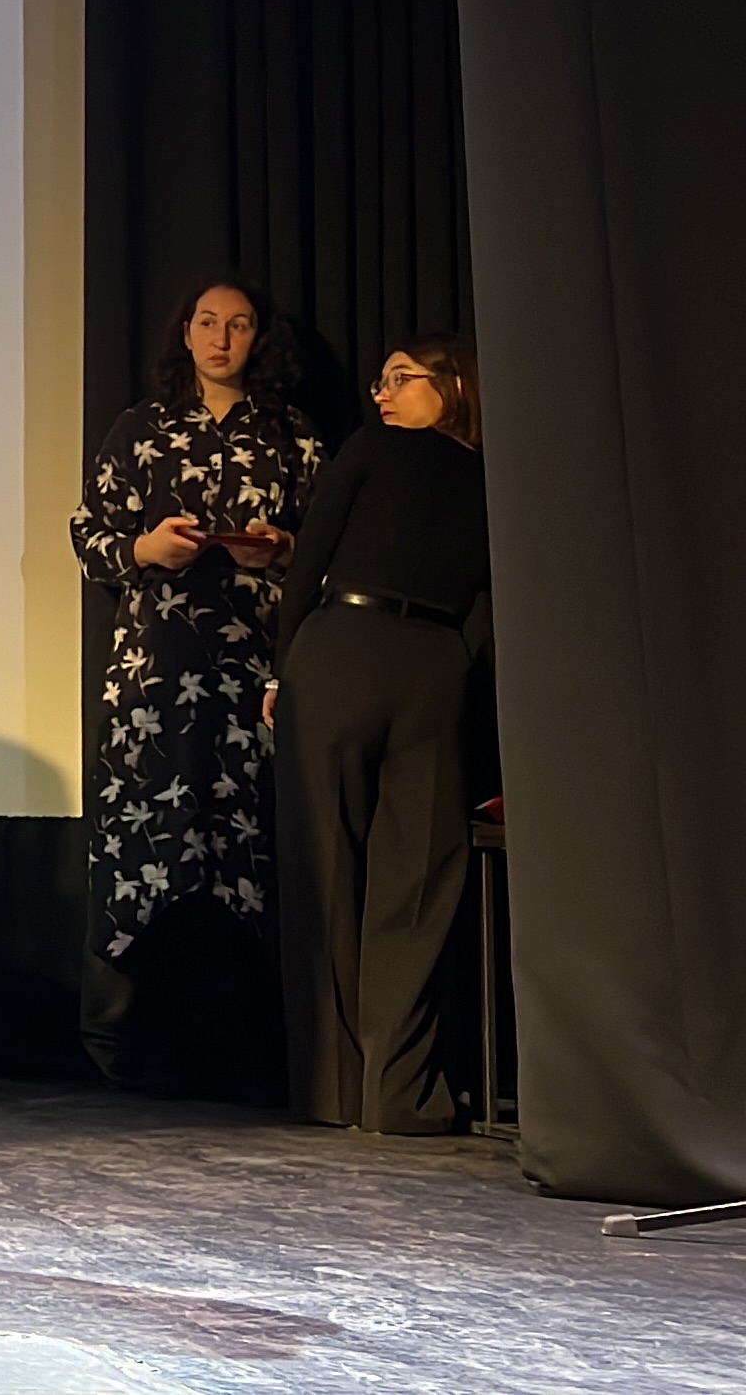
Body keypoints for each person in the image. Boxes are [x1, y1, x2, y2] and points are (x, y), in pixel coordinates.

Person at [66, 277, 324, 1098]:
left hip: (249, 670)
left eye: (238, 325)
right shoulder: (141, 428)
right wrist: (146, 550)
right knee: (143, 845)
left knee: (238, 845)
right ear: (185, 333)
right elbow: (88, 534)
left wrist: (282, 551)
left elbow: (327, 550)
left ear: (258, 339)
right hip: (154, 671)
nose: (220, 338)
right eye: (207, 323)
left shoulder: (290, 435)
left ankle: (236, 1045)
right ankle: (123, 1041)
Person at [268, 337, 490, 1133]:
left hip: (371, 656)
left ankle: (352, 1092)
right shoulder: (472, 472)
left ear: (454, 384)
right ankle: (381, 1094)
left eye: (402, 378)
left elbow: (310, 560)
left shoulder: (399, 455)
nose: (383, 393)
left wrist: (282, 668)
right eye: (381, 381)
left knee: (361, 869)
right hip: (408, 656)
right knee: (398, 876)